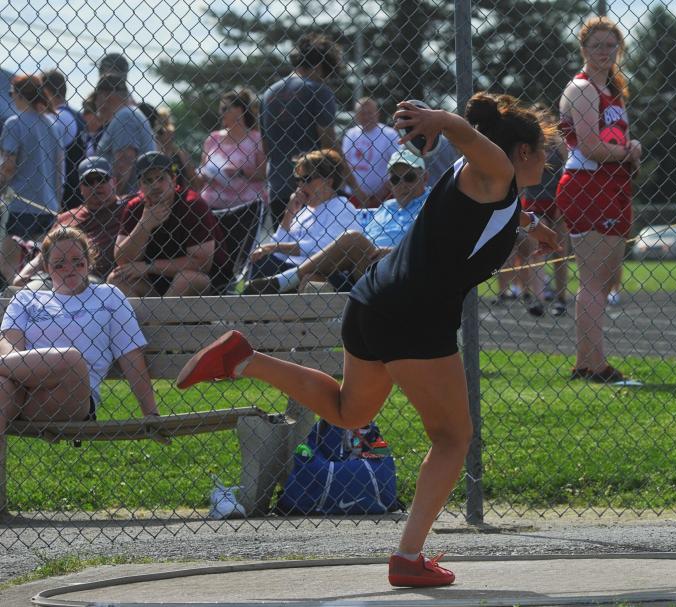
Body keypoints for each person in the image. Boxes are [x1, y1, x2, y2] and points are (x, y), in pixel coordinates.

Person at [175, 94, 560, 587]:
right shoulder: (497, 170)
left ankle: (244, 359)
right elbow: (476, 146)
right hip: (414, 316)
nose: (547, 162)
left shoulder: (480, 185)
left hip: (372, 301)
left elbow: (479, 215)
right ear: (522, 151)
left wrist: (529, 229)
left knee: (350, 412)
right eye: (544, 152)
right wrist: (442, 120)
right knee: (452, 439)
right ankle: (407, 556)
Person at [0, 227, 158, 435]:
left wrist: (152, 415)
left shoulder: (108, 296)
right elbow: (10, 351)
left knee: (72, 359)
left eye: (78, 261)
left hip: (74, 396)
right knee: (2, 387)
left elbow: (131, 356)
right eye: (59, 264)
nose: (70, 268)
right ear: (46, 268)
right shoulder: (26, 299)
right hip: (23, 392)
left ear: (89, 262)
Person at [555, 16, 643, 383]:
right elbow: (590, 147)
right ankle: (597, 366)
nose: (604, 52)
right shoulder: (583, 89)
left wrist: (629, 147)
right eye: (597, 46)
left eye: (611, 46)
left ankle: (585, 362)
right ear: (584, 50)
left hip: (610, 183)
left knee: (601, 281)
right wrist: (628, 152)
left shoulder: (612, 89)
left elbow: (610, 141)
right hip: (590, 184)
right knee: (593, 282)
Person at [243, 148, 430, 294]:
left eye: (410, 177)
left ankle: (281, 282)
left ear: (425, 177)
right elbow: (278, 246)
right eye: (395, 179)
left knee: (353, 239)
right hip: (360, 266)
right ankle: (286, 337)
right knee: (310, 279)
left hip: (398, 268)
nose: (402, 184)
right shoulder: (386, 207)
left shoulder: (431, 205)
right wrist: (289, 214)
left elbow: (430, 246)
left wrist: (392, 251)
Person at [109, 152, 226, 297]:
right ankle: (154, 320)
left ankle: (157, 320)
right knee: (116, 279)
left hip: (202, 282)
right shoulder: (135, 207)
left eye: (161, 178)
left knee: (185, 279)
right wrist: (145, 224)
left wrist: (149, 266)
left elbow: (201, 264)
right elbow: (122, 259)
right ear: (140, 185)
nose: (155, 185)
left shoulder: (192, 205)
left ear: (174, 179)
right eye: (148, 180)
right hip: (154, 284)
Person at [261, 34, 341, 228]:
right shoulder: (319, 91)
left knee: (285, 248)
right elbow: (327, 144)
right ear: (320, 67)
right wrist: (348, 181)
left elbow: (265, 146)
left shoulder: (269, 93)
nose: (326, 79)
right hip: (313, 187)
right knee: (319, 249)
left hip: (278, 186)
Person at [246, 149, 362, 282]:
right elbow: (277, 254)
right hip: (290, 269)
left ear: (328, 181)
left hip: (320, 273)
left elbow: (322, 249)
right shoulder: (304, 211)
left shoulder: (342, 207)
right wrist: (288, 214)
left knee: (269, 260)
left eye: (307, 179)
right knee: (262, 259)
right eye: (298, 179)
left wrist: (273, 247)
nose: (301, 185)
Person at [14, 157, 125, 288]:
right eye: (89, 181)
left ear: (114, 182)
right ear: (80, 188)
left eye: (102, 179)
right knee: (30, 288)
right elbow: (43, 255)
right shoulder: (66, 217)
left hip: (97, 281)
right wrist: (23, 276)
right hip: (57, 277)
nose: (96, 185)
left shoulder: (128, 208)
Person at [0, 74, 63, 287]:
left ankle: (15, 302)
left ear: (18, 95)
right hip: (49, 207)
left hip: (21, 205)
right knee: (37, 264)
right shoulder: (52, 125)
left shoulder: (15, 123)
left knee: (7, 264)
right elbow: (59, 170)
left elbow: (8, 167)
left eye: (11, 94)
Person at [519, 140, 569, 317]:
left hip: (557, 201)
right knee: (537, 250)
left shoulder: (559, 143)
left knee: (559, 251)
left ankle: (561, 299)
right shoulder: (527, 141)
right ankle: (538, 299)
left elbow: (568, 169)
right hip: (534, 202)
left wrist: (563, 204)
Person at [198, 88, 267, 210]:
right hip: (212, 205)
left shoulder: (256, 139)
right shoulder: (213, 138)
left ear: (239, 110)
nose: (221, 113)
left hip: (247, 206)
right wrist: (206, 175)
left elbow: (263, 174)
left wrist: (240, 172)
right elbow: (202, 169)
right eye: (220, 109)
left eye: (225, 109)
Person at [95, 75, 157, 196]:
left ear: (107, 95)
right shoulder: (129, 113)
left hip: (127, 200)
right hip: (132, 197)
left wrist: (113, 200)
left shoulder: (125, 117)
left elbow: (124, 163)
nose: (96, 103)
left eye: (97, 97)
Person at [342, 97, 401, 207]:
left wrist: (380, 195)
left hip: (383, 197)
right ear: (355, 115)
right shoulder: (350, 134)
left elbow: (398, 166)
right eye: (361, 113)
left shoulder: (389, 134)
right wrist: (357, 191)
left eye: (369, 113)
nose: (365, 116)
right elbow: (345, 164)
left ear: (377, 113)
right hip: (353, 196)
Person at [41, 70, 86, 210]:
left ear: (46, 91)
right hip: (76, 186)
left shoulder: (57, 117)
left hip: (64, 192)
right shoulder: (76, 115)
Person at [153, 107, 199, 191]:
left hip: (180, 197)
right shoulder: (151, 153)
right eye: (159, 125)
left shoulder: (180, 154)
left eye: (166, 124)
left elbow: (195, 182)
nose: (163, 129)